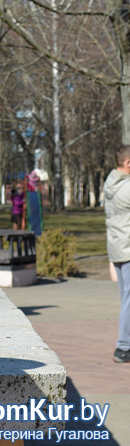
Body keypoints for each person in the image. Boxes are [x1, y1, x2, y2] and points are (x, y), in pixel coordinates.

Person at [103, 145, 130, 364]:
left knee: (126, 299)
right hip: (128, 248)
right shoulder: (127, 187)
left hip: (118, 248)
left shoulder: (109, 184)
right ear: (128, 163)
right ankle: (124, 347)